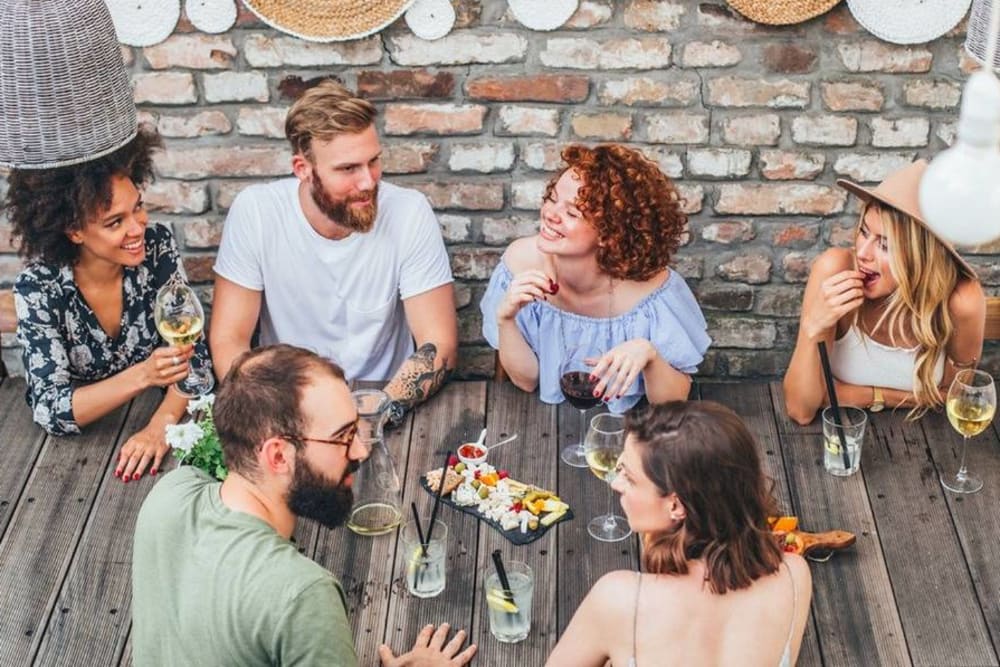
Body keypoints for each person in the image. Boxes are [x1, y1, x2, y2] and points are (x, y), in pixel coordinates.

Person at [131, 344, 476, 666]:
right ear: (278, 455)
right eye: (342, 436)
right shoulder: (302, 594)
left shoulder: (170, 493)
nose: (360, 450)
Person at [211, 79, 457, 427]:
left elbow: (439, 345)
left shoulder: (409, 212)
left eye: (373, 161)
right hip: (287, 408)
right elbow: (229, 338)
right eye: (347, 169)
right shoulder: (256, 212)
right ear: (303, 169)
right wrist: (271, 416)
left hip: (384, 404)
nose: (369, 182)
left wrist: (373, 417)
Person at [7, 127, 212, 481]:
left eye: (138, 208)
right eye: (115, 222)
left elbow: (196, 364)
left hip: (156, 422)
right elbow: (50, 408)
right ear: (75, 231)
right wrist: (144, 375)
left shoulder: (158, 246)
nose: (137, 229)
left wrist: (159, 426)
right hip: (71, 462)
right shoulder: (39, 288)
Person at [546, 401, 812, 666]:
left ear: (675, 505)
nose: (616, 484)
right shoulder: (794, 576)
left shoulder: (622, 601)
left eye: (628, 476)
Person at [480, 143, 710, 413]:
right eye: (552, 199)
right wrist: (505, 319)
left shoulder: (654, 292)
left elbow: (670, 403)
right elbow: (526, 381)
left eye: (572, 212)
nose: (550, 215)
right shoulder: (520, 263)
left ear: (610, 233)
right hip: (540, 423)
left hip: (630, 429)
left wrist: (649, 354)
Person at [783, 160, 985, 423]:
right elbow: (800, 410)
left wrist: (859, 395)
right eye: (864, 232)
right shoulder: (835, 269)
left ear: (922, 258)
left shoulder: (962, 301)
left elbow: (953, 397)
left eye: (885, 246)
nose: (863, 253)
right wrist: (813, 328)